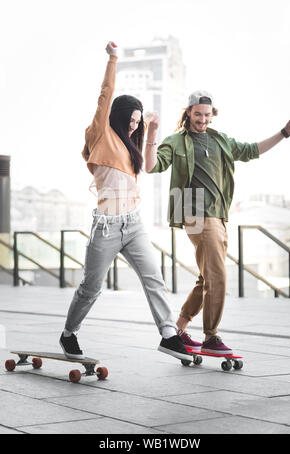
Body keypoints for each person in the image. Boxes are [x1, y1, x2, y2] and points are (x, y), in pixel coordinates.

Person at [59, 41, 193, 364]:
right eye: (131, 121)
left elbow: (147, 163)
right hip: (105, 226)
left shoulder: (129, 145)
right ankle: (68, 333)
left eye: (138, 122)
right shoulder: (100, 133)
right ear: (117, 116)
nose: (134, 126)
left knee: (154, 278)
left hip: (133, 223)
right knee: (91, 288)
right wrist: (113, 59)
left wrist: (151, 131)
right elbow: (105, 94)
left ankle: (168, 334)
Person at [145, 90, 290, 355]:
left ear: (211, 115)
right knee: (218, 277)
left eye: (206, 115)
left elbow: (252, 150)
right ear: (188, 113)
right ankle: (211, 337)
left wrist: (284, 132)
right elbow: (152, 167)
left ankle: (179, 328)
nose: (202, 120)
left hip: (218, 215)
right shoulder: (176, 141)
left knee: (208, 275)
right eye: (197, 114)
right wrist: (150, 136)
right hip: (194, 213)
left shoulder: (220, 141)